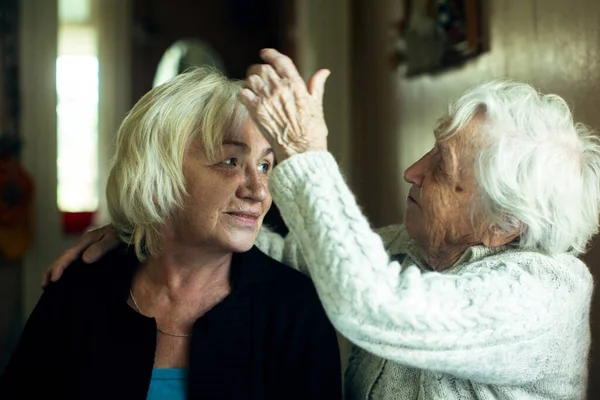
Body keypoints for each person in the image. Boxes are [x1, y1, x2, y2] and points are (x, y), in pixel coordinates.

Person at [43, 49, 599, 399]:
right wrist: (150, 220)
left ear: (504, 226)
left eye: (441, 168)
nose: (412, 171)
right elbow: (295, 254)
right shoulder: (415, 249)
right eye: (430, 150)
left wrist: (307, 151)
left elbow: (373, 304)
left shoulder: (546, 294)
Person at [1, 66, 342, 400]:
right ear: (159, 170)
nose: (259, 190)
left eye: (266, 166)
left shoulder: (296, 312)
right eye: (230, 161)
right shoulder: (78, 292)